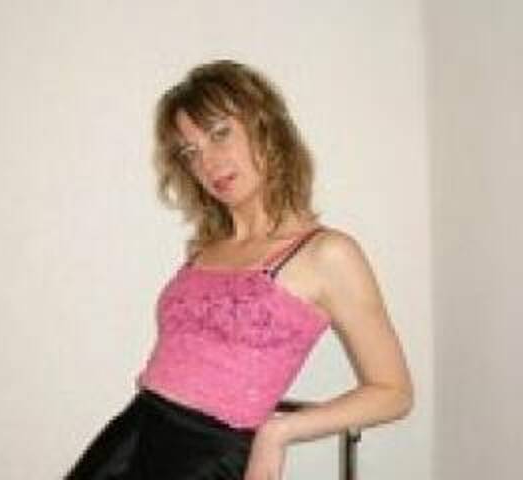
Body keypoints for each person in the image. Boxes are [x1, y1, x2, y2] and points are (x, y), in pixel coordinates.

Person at [64, 59, 414, 480]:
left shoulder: (326, 253)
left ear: (265, 127)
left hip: (208, 458)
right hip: (131, 435)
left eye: (220, 133)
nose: (208, 162)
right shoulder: (206, 251)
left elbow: (394, 391)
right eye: (191, 152)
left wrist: (279, 432)